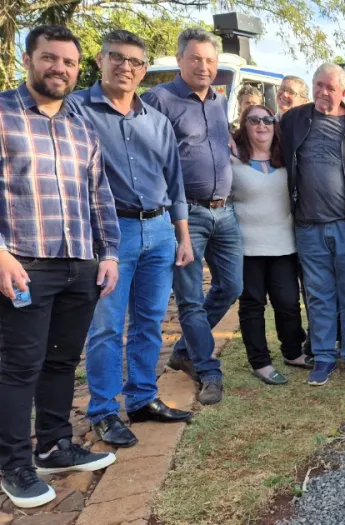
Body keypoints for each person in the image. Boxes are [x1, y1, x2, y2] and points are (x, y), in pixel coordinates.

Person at [0, 25, 120, 509]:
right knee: (17, 368)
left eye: (69, 63)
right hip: (23, 264)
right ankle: (14, 465)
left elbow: (100, 196)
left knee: (61, 362)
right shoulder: (4, 115)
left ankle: (53, 446)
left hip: (80, 265)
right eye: (50, 59)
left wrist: (109, 253)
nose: (60, 69)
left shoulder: (80, 124)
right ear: (28, 60)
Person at [71, 29, 195, 449]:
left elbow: (174, 182)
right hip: (110, 234)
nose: (125, 67)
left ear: (144, 70)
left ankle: (142, 399)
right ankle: (104, 411)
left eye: (135, 62)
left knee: (149, 321)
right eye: (117, 58)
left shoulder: (157, 121)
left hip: (159, 231)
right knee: (106, 328)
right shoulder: (76, 111)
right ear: (101, 60)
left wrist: (183, 236)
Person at [143, 28, 241, 406]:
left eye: (210, 60)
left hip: (224, 212)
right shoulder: (160, 99)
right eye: (196, 58)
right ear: (180, 59)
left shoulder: (217, 100)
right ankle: (207, 368)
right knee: (189, 298)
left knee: (231, 286)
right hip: (185, 215)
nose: (204, 66)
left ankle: (184, 349)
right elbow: (148, 158)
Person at [280, 63, 345, 386]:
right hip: (308, 226)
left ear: (344, 93)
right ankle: (324, 357)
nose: (323, 92)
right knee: (318, 295)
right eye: (318, 85)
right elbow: (260, 140)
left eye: (330, 87)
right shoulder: (294, 120)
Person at [230, 105, 310, 385]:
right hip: (246, 247)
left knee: (288, 301)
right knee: (252, 305)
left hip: (283, 244)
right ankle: (260, 361)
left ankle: (292, 351)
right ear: (244, 126)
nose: (261, 125)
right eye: (254, 120)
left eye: (267, 120)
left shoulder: (286, 158)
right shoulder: (231, 159)